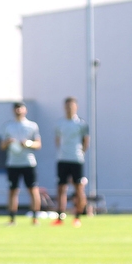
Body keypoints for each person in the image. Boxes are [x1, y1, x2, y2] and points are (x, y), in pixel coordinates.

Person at [1, 102, 42, 226]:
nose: (18, 111)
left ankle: (35, 218)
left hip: (28, 163)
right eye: (16, 108)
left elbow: (38, 144)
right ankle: (12, 219)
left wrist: (28, 143)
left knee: (33, 190)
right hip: (13, 163)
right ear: (13, 110)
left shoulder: (32, 126)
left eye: (20, 108)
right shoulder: (8, 126)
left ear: (25, 110)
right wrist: (8, 142)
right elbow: (2, 146)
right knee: (13, 191)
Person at [53, 96, 90, 227]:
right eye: (67, 106)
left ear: (76, 107)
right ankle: (60, 216)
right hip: (63, 159)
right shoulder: (60, 123)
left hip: (76, 159)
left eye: (71, 106)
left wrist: (79, 152)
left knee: (78, 188)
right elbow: (57, 141)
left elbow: (86, 142)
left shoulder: (81, 124)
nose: (69, 108)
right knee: (61, 188)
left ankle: (78, 216)